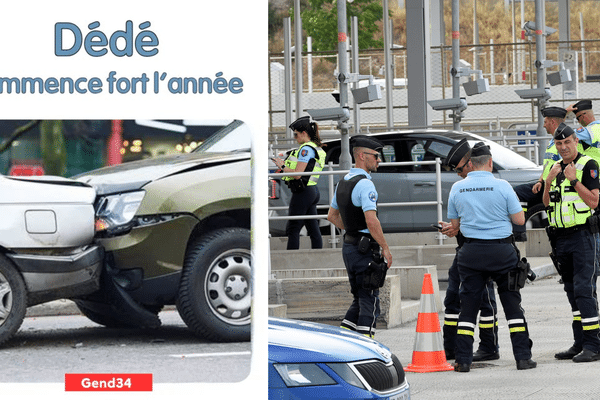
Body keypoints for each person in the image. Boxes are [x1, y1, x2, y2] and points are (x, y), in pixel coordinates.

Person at [448, 141, 536, 372]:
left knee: (468, 308)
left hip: (471, 254)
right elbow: (518, 220)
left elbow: (455, 225)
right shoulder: (503, 186)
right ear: (489, 162)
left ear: (471, 164)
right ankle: (523, 358)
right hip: (502, 253)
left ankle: (463, 361)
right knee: (512, 306)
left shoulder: (457, 188)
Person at [542, 123, 600, 363]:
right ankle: (579, 342)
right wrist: (548, 181)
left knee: (585, 289)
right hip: (561, 239)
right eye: (559, 143)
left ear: (576, 141)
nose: (563, 147)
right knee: (571, 291)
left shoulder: (588, 165)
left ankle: (593, 345)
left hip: (583, 237)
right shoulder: (555, 168)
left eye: (567, 142)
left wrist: (575, 181)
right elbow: (546, 204)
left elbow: (594, 201)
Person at [327, 135, 392, 338]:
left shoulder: (343, 183)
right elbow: (372, 221)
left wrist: (353, 229)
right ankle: (366, 347)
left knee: (359, 298)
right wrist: (385, 248)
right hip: (365, 251)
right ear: (362, 156)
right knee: (370, 301)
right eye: (376, 156)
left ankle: (343, 339)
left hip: (349, 248)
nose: (379, 160)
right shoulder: (365, 185)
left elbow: (331, 216)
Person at [440, 139, 499, 362]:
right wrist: (453, 228)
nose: (458, 174)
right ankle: (451, 348)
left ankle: (489, 346)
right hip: (465, 249)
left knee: (484, 299)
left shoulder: (488, 184)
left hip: (481, 250)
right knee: (453, 297)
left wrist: (458, 228)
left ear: (471, 163)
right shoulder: (462, 187)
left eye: (459, 169)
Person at [273, 116, 326, 250]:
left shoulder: (305, 149)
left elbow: (297, 174)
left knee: (293, 228)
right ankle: (318, 256)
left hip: (303, 192)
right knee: (312, 227)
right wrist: (283, 169)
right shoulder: (315, 147)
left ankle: (291, 260)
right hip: (312, 190)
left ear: (304, 133)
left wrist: (282, 166)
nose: (295, 138)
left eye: (296, 134)